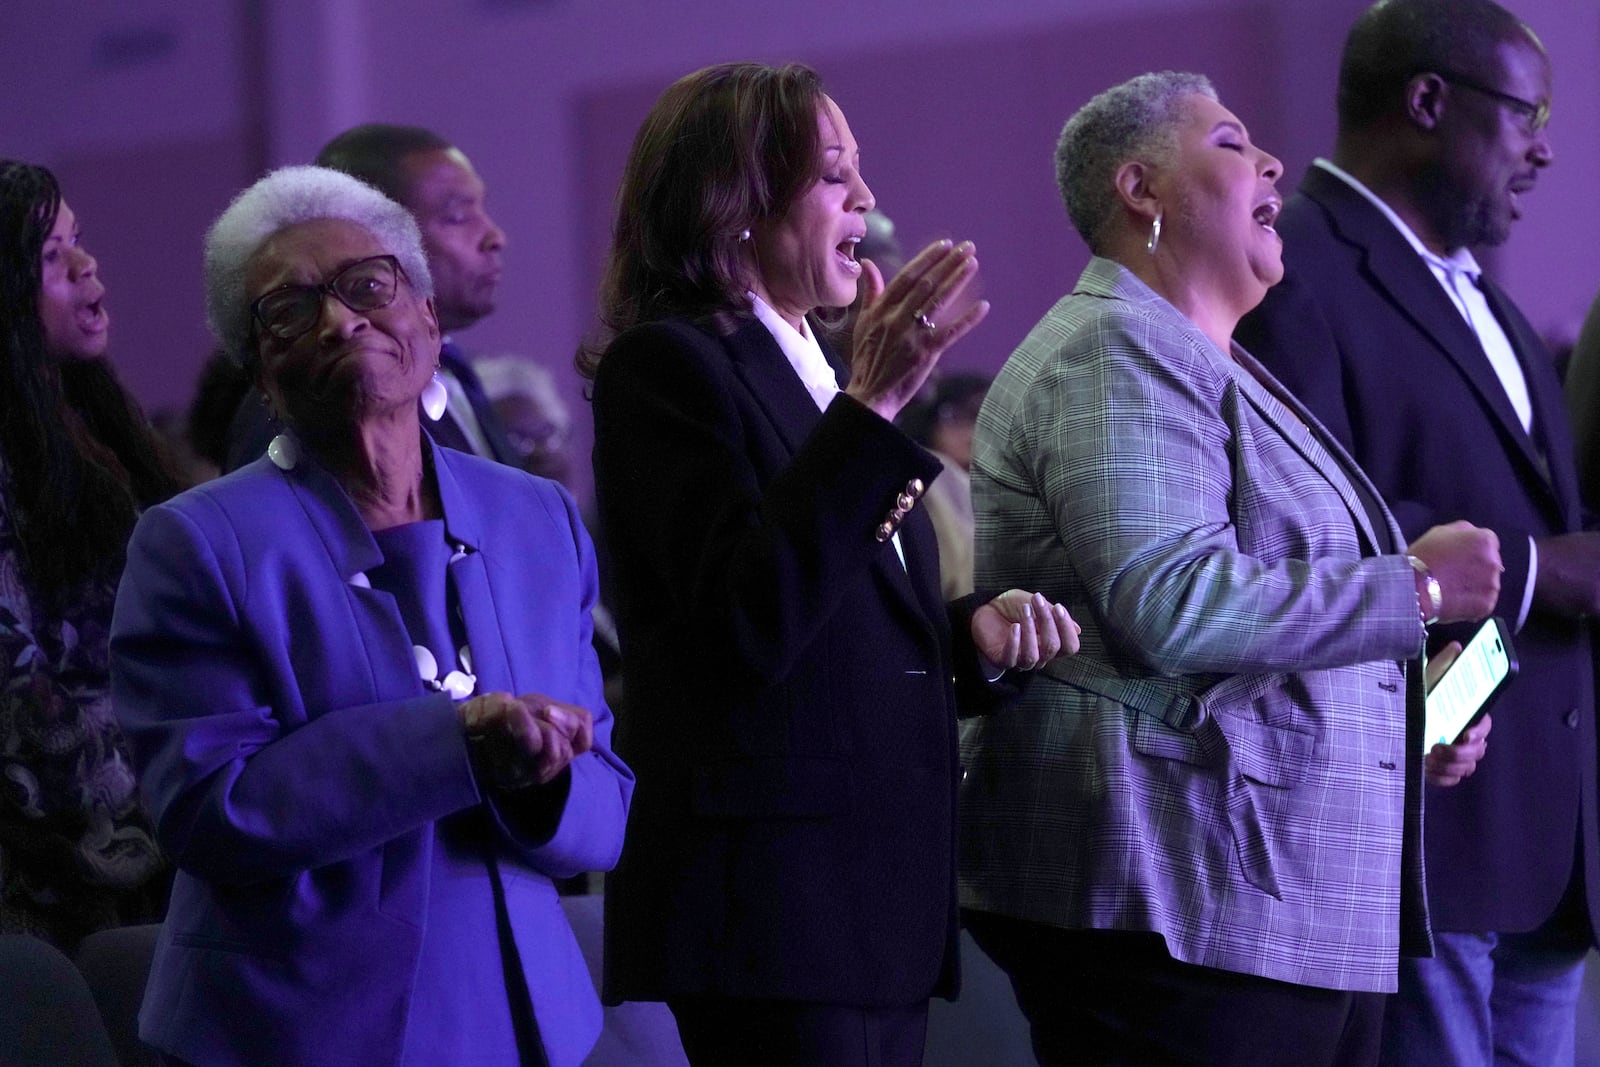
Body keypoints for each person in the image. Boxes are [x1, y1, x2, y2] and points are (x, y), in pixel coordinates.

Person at [959, 72, 1505, 1067]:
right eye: (1228, 142)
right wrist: (1414, 590)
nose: (1271, 164)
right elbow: (1173, 603)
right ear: (1140, 190)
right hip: (1176, 903)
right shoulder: (1113, 350)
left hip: (1270, 904)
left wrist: (1403, 714)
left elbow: (1257, 626)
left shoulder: (1207, 360)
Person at [584, 62, 1080, 1067]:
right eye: (831, 174)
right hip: (771, 905)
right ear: (733, 203)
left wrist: (965, 637)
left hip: (862, 899)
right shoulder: (669, 368)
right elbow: (743, 620)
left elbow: (836, 613)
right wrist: (872, 410)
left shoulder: (814, 370)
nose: (865, 199)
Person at [109, 165, 633, 1067]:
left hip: (523, 1014)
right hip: (298, 1022)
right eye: (289, 307)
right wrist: (458, 741)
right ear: (261, 373)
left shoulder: (535, 517)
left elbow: (607, 801)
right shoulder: (193, 543)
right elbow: (209, 809)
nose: (340, 319)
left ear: (428, 318)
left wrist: (544, 776)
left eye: (368, 284)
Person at [1233, 1, 1600, 1061]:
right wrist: (1538, 570)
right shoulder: (1291, 262)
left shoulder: (1475, 283)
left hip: (1539, 820)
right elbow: (1299, 513)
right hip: (1427, 814)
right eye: (1526, 113)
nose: (1542, 147)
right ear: (1427, 102)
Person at [0, 161, 179, 953]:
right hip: (49, 866)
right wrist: (138, 787)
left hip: (136, 832)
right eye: (49, 254)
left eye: (80, 241)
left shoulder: (92, 422)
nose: (86, 264)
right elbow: (12, 672)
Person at [225, 124, 516, 469]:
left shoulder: (455, 374)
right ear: (374, 234)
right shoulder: (303, 405)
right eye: (457, 216)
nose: (494, 237)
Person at [897, 372, 989, 598]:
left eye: (987, 419)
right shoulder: (934, 478)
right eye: (965, 415)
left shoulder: (980, 486)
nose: (975, 433)